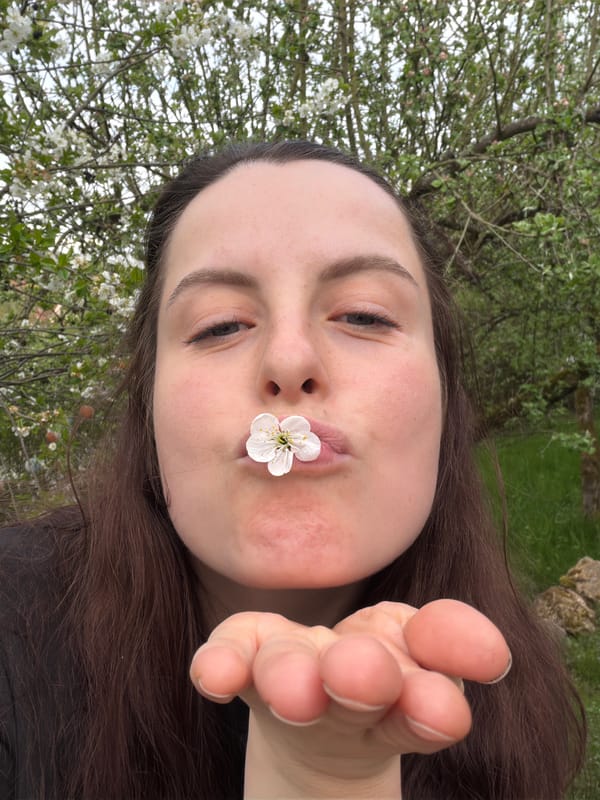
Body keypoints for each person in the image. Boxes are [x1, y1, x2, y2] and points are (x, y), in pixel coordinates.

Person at [0, 140, 585, 800]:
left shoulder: (507, 700)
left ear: (446, 392)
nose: (288, 360)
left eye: (364, 314)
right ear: (148, 401)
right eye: (220, 326)